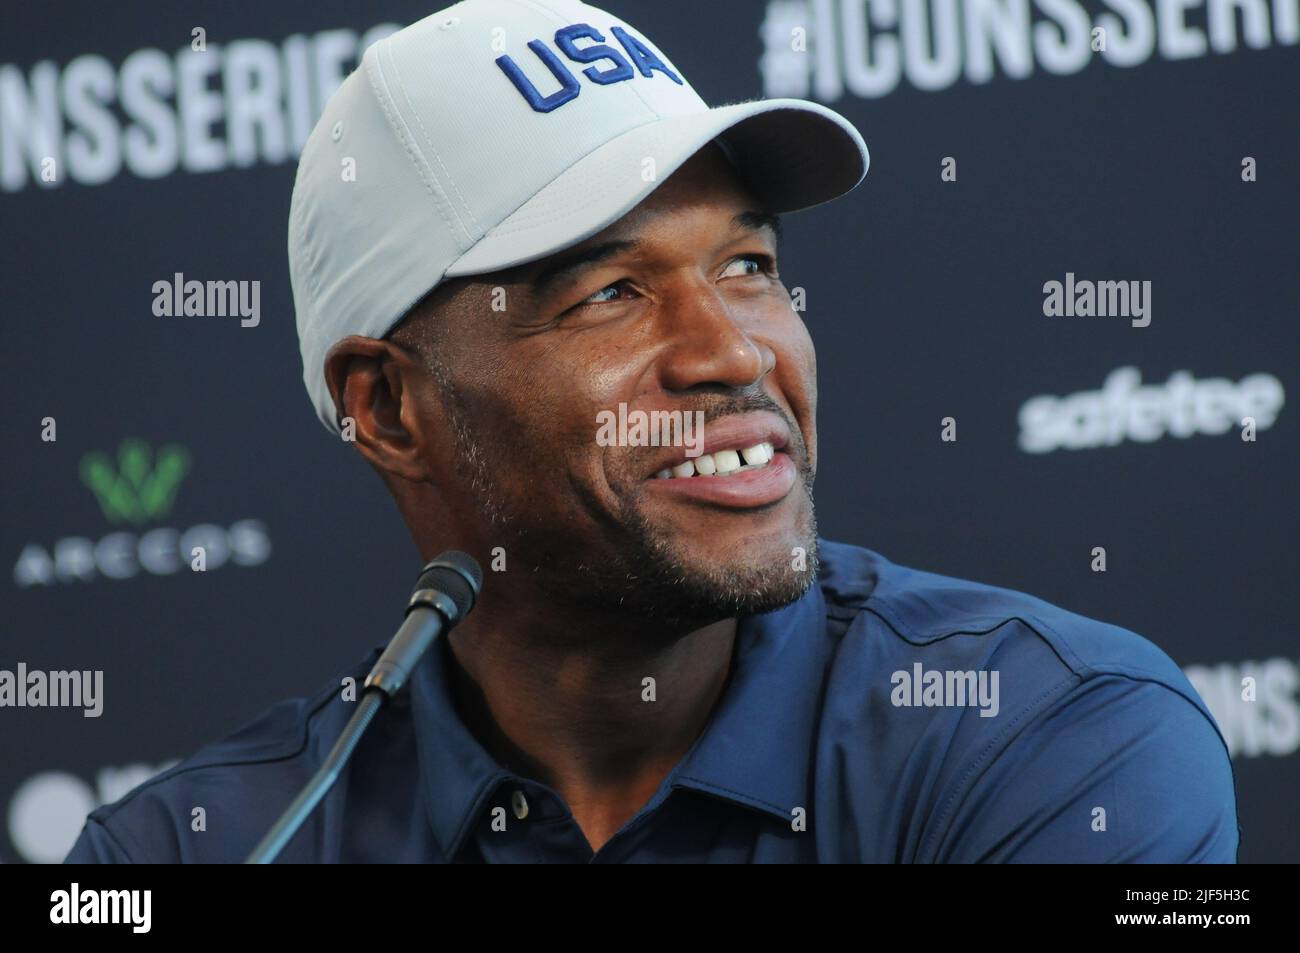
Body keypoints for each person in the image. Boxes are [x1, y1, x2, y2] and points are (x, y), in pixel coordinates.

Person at [66, 0, 1238, 863]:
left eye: (747, 264)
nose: (733, 350)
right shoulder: (179, 852)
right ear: (387, 407)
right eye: (611, 293)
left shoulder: (1058, 737)